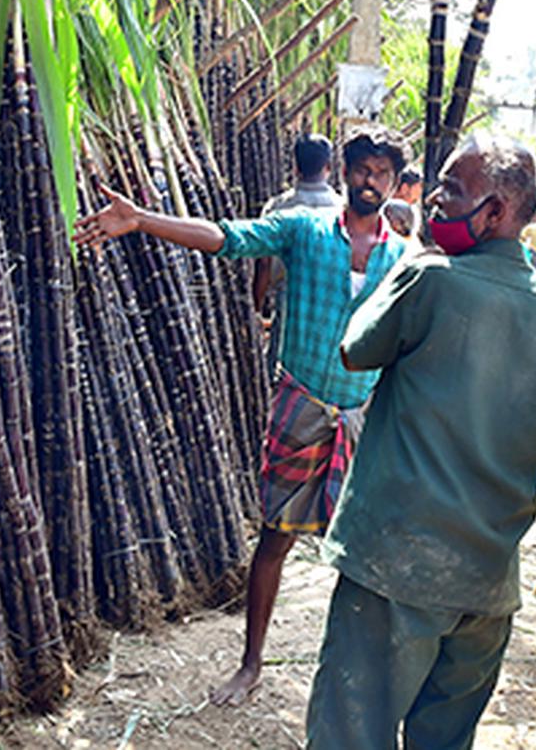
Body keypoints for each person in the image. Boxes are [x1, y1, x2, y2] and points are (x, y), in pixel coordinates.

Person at [74, 126, 410, 707]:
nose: (370, 181)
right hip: (302, 406)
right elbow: (226, 238)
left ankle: (355, 676)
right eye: (362, 169)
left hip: (361, 417)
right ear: (344, 171)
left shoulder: (403, 259)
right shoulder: (305, 231)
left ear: (394, 181)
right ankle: (251, 664)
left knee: (363, 552)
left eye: (381, 172)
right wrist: (144, 220)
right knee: (275, 540)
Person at [305, 134, 536, 749]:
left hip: (395, 567)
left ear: (496, 211)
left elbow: (354, 348)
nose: (436, 203)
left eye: (453, 191)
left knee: (349, 734)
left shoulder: (429, 278)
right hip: (487, 586)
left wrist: (416, 259)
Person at [252, 133, 343, 314]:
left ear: (295, 168)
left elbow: (264, 264)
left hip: (289, 301)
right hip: (332, 299)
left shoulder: (277, 207)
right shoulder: (343, 209)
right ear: (329, 167)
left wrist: (257, 308)